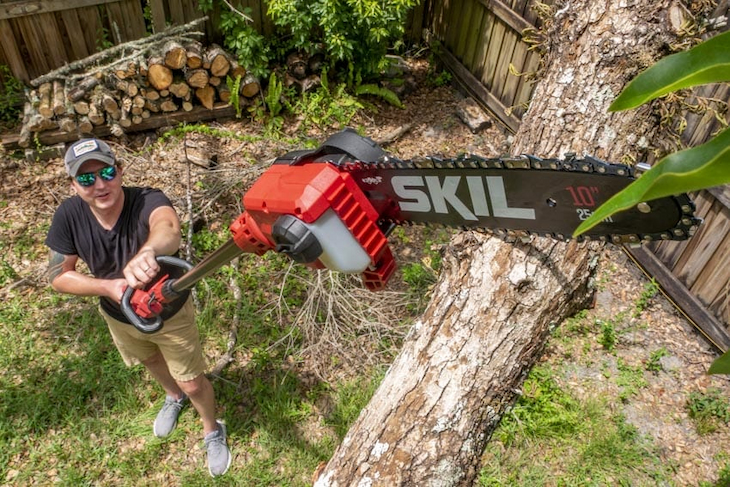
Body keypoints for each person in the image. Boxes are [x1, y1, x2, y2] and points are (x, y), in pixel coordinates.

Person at [45, 138, 231, 477]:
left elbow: (168, 228)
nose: (100, 185)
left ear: (120, 171)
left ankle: (211, 428)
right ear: (74, 185)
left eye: (107, 172)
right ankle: (171, 396)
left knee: (192, 381)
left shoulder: (148, 198)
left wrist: (148, 252)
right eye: (86, 179)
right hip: (120, 314)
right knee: (149, 359)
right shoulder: (68, 216)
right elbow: (58, 276)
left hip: (167, 310)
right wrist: (108, 287)